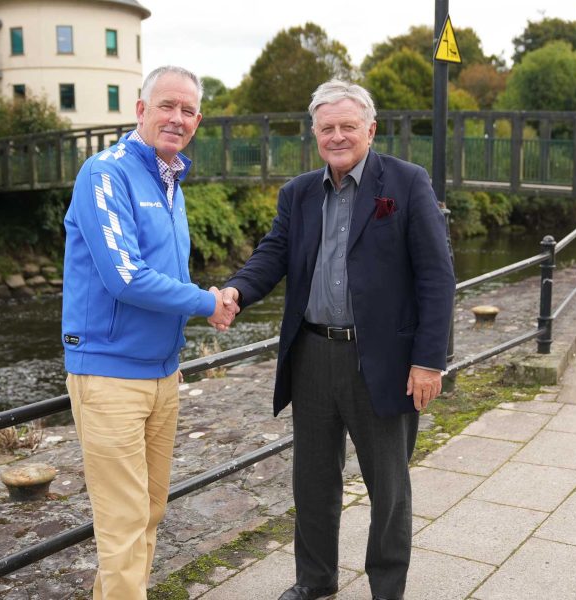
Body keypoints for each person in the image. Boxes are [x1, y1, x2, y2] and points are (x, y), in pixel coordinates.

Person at [217, 80, 456, 600]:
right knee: (313, 480)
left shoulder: (407, 182)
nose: (338, 136)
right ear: (315, 134)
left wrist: (428, 361)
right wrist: (236, 290)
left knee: (387, 486)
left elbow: (437, 278)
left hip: (384, 361)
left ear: (371, 129)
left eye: (348, 126)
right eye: (327, 128)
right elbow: (272, 254)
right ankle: (315, 579)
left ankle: (386, 588)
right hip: (313, 354)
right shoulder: (298, 193)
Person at [62, 65, 237, 600]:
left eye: (188, 111)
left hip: (161, 374)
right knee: (123, 524)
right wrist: (208, 302)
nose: (177, 118)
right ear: (141, 109)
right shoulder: (105, 173)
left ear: (198, 121)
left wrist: (178, 336)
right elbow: (125, 277)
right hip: (109, 375)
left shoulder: (170, 180)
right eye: (167, 106)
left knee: (149, 512)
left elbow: (166, 273)